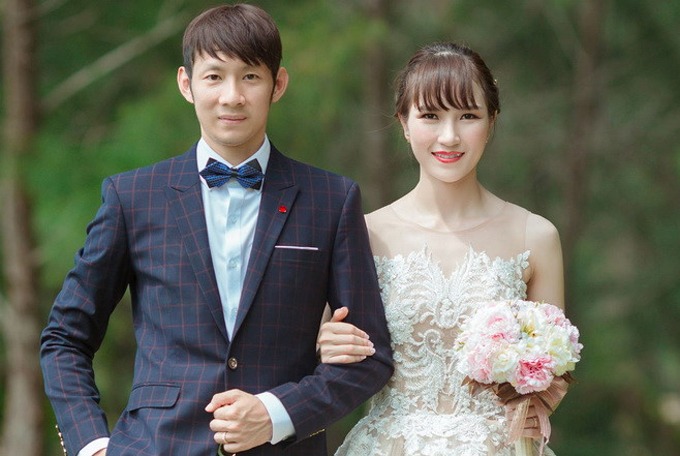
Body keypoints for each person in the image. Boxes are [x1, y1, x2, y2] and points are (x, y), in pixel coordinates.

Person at [39, 4, 393, 456]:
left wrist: (275, 414)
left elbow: (369, 358)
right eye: (213, 76)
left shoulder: (332, 199)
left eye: (250, 76)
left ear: (278, 84)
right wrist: (91, 444)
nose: (232, 96)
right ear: (186, 84)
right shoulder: (132, 197)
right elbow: (65, 337)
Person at [317, 42, 568, 455]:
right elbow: (318, 361)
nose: (449, 137)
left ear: (491, 121)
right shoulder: (361, 234)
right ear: (404, 122)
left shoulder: (536, 236)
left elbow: (553, 371)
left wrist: (536, 404)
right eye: (430, 116)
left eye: (468, 116)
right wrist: (325, 346)